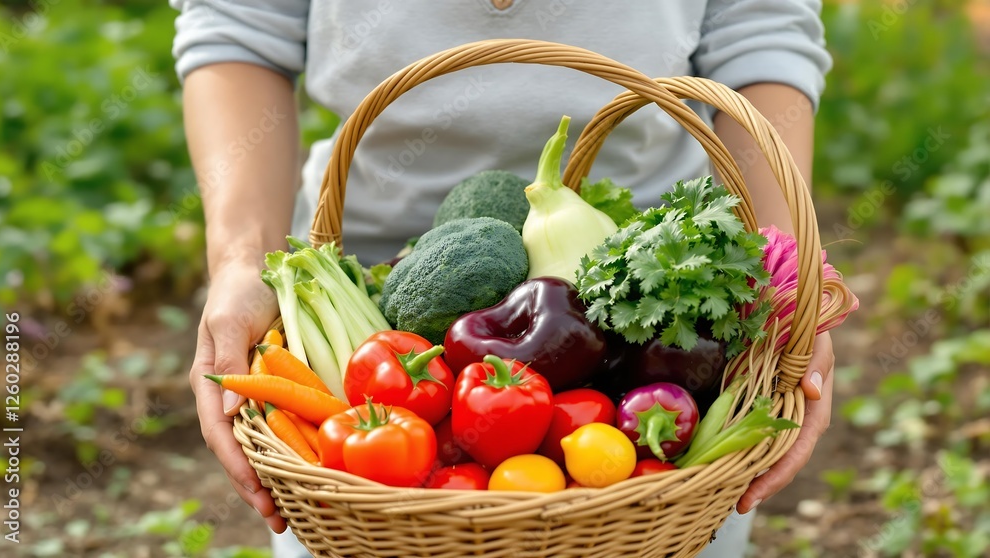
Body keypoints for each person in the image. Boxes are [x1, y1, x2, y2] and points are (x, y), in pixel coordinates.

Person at [170, 1, 836, 556]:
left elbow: (763, 32)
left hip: (655, 299)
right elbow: (238, 27)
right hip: (365, 290)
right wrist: (240, 262)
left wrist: (782, 280)